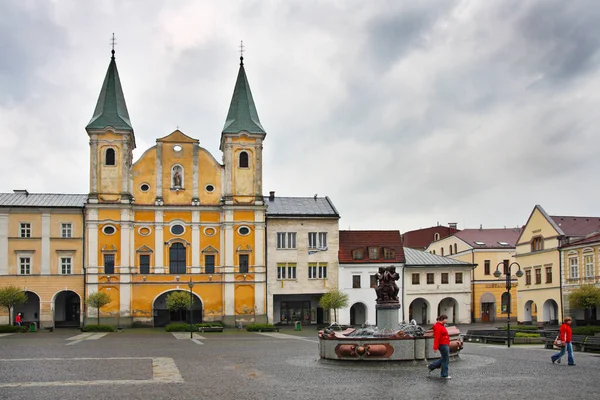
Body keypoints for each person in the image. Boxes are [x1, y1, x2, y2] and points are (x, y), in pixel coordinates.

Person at [427, 314, 451, 379]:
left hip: (444, 344)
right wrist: (435, 347)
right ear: (443, 319)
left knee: (444, 358)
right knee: (445, 359)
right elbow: (437, 337)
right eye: (446, 319)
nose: (447, 320)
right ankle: (444, 375)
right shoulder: (438, 326)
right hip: (443, 344)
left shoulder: (440, 326)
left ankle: (431, 366)